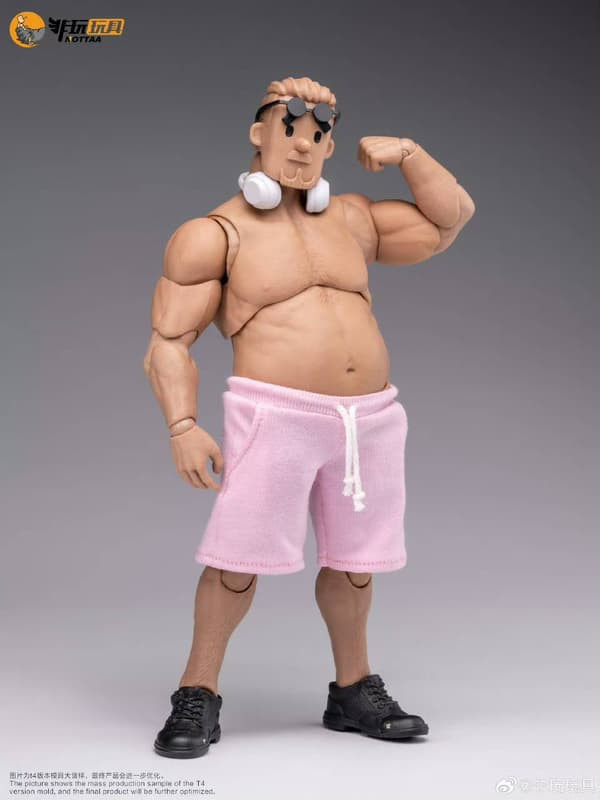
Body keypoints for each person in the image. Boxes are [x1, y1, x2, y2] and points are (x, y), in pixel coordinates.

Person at [143, 75, 475, 758]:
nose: (302, 145)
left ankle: (353, 689)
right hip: (276, 414)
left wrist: (412, 154)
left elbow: (449, 221)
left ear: (329, 148)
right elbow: (169, 342)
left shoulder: (352, 219)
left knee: (357, 561)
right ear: (258, 135)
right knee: (237, 560)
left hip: (369, 419)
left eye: (318, 135)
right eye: (288, 129)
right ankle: (197, 691)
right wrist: (182, 425)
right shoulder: (215, 234)